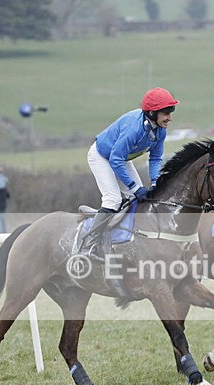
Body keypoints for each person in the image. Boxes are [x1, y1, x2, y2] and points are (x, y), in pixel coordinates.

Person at [81, 86, 179, 259]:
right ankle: (88, 245)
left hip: (121, 159)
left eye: (170, 112)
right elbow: (115, 160)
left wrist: (155, 181)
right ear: (151, 113)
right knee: (113, 199)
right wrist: (134, 187)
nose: (169, 118)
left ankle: (128, 240)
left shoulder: (160, 131)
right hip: (101, 157)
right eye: (166, 113)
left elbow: (155, 159)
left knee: (141, 200)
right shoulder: (134, 129)